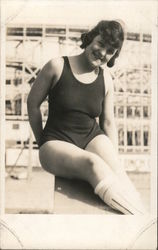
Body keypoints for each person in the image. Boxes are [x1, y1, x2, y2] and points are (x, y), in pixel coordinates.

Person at [27, 20, 146, 215]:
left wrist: (113, 160)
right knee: (93, 164)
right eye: (100, 44)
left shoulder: (106, 79)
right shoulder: (57, 66)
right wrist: (42, 142)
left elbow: (107, 122)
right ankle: (140, 219)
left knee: (119, 173)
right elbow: (32, 104)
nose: (102, 52)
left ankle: (143, 217)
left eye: (110, 51)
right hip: (57, 141)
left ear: (114, 56)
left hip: (91, 137)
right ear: (90, 38)